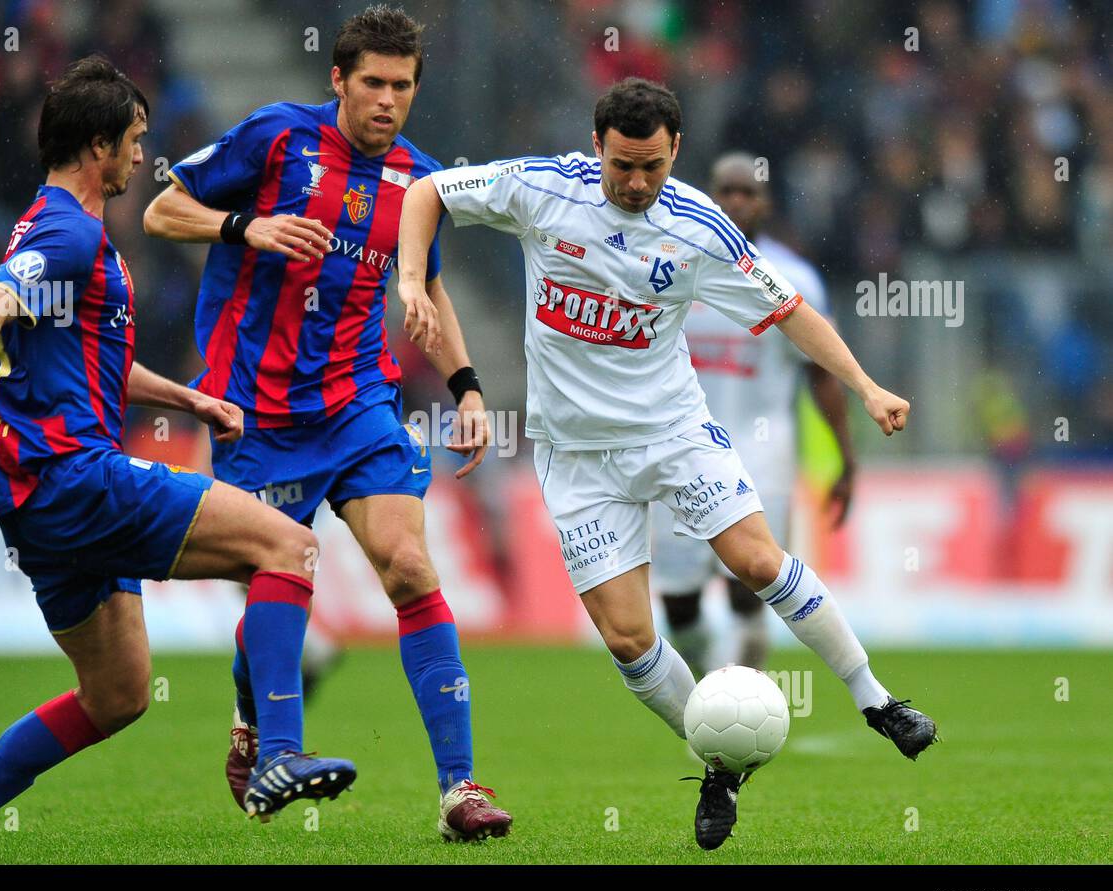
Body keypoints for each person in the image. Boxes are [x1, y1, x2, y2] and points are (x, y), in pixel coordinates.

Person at [396, 77, 938, 851]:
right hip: (576, 455)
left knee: (757, 559)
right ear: (597, 146)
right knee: (627, 640)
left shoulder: (699, 229)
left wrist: (866, 386)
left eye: (652, 166)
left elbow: (791, 313)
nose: (637, 182)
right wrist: (412, 278)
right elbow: (427, 193)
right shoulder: (542, 189)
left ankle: (877, 699)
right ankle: (717, 767)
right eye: (623, 166)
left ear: (675, 150)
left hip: (674, 433)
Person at [0, 55, 355, 865]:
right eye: (133, 139)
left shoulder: (46, 229)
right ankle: (276, 751)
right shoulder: (70, 231)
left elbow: (86, 359)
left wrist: (187, 399)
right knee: (289, 546)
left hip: (34, 506)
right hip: (76, 478)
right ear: (99, 146)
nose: (143, 154)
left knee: (119, 693)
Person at [143, 4, 511, 842]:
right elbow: (164, 211)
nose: (388, 100)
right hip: (256, 409)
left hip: (358, 404)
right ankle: (267, 737)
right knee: (285, 566)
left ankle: (460, 791)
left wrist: (468, 387)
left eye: (403, 86)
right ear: (337, 79)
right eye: (373, 83)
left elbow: (430, 285)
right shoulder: (275, 139)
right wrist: (244, 225)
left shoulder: (421, 180)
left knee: (411, 566)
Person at [651, 151, 857, 674]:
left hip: (762, 447)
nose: (737, 201)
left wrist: (846, 458)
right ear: (710, 196)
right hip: (678, 448)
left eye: (749, 192)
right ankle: (708, 692)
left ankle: (744, 696)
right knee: (679, 602)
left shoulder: (794, 279)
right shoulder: (669, 263)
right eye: (727, 191)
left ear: (766, 203)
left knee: (752, 584)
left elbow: (820, 374)